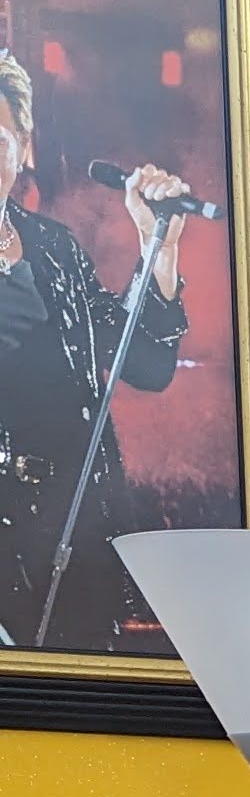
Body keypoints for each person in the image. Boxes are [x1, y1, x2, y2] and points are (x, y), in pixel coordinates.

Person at [0, 50, 194, 655]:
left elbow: (148, 365)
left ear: (23, 147)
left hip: (72, 535)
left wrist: (157, 245)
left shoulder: (55, 250)